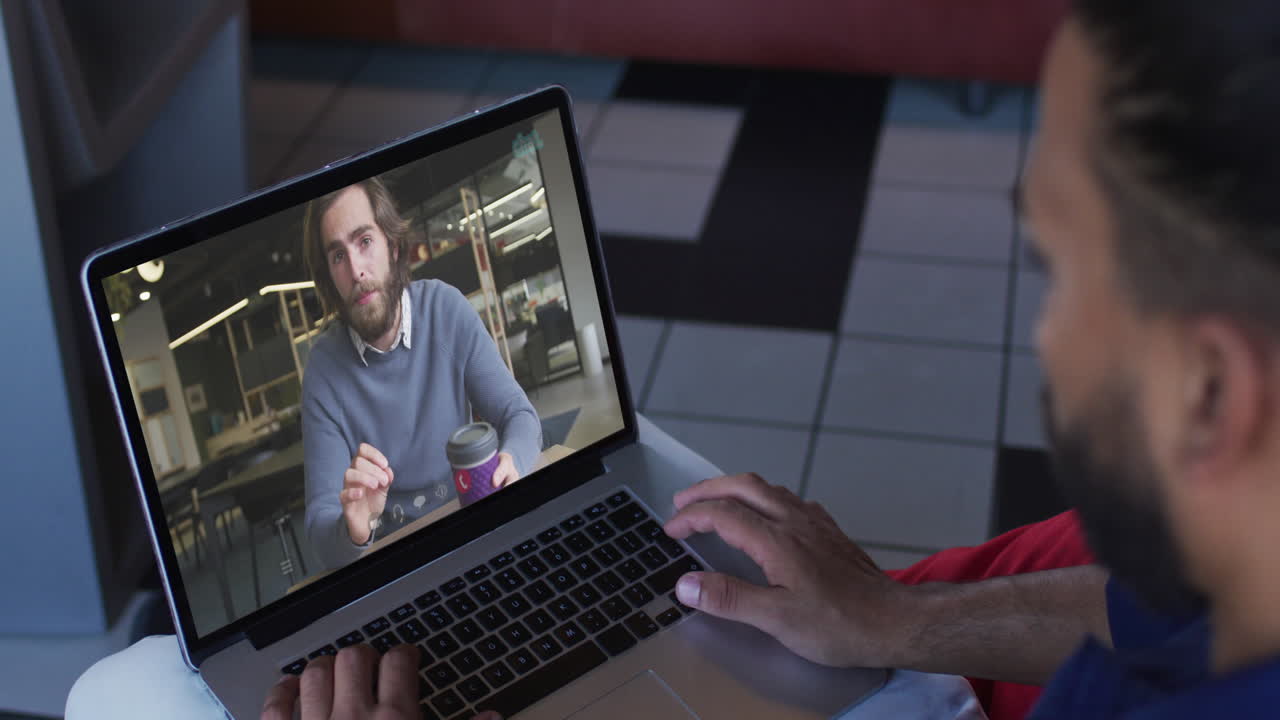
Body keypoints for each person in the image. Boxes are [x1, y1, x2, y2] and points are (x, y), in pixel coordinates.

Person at [268, 0, 1280, 716]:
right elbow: (1164, 617)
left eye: (1057, 270)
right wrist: (897, 621)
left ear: (1212, 391)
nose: (1041, 332)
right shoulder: (1236, 573)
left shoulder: (445, 308)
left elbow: (520, 421)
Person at [301, 177, 542, 570]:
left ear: (393, 247)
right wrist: (354, 530)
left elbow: (519, 415)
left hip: (474, 528)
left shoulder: (445, 309)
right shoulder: (323, 370)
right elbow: (320, 532)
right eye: (338, 257)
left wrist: (512, 462)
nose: (356, 270)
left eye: (364, 241)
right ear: (329, 278)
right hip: (399, 563)